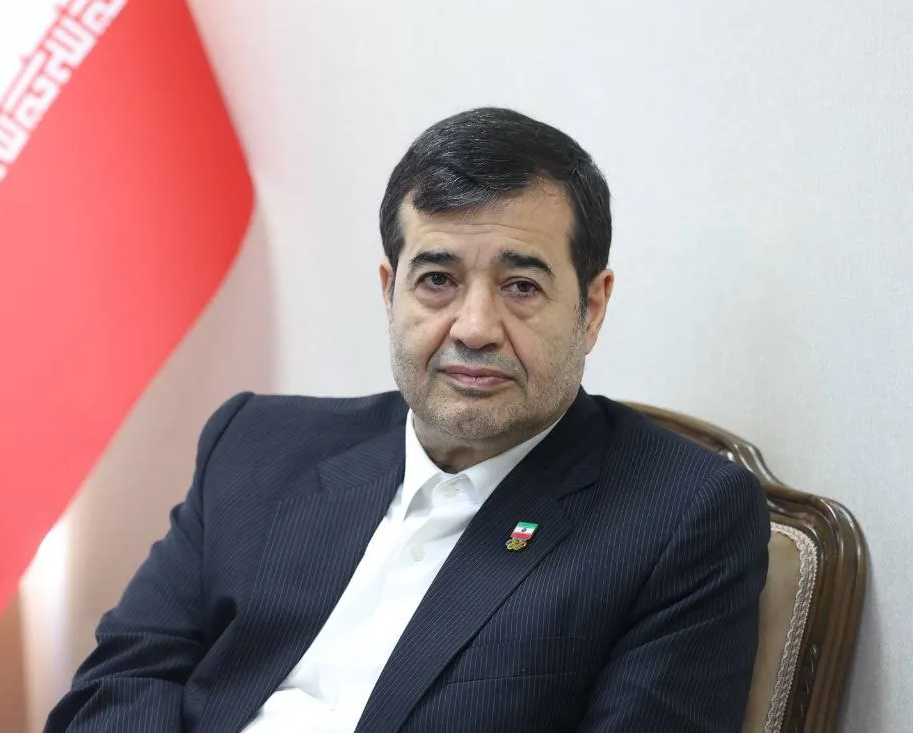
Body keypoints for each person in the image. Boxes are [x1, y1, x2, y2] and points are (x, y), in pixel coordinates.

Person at [44, 107, 770, 732]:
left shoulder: (678, 517)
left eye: (521, 285)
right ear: (391, 292)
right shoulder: (256, 444)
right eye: (438, 280)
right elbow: (125, 678)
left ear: (592, 307)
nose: (475, 327)